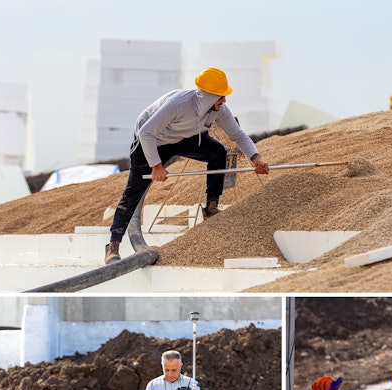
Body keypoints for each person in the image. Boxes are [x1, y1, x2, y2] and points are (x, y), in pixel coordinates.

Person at [104, 67, 270, 264]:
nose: (224, 100)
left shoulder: (220, 111)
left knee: (218, 152)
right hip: (151, 141)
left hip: (187, 138)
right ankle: (113, 246)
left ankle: (211, 206)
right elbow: (146, 133)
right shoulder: (178, 104)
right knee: (133, 193)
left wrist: (256, 158)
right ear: (207, 96)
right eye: (220, 96)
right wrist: (156, 165)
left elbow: (238, 135)